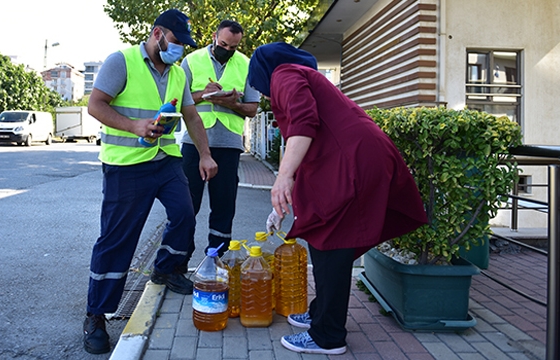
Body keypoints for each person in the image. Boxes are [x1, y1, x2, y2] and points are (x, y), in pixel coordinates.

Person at [248, 42, 428, 355]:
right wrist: (285, 200)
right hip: (359, 156)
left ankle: (328, 335)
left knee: (331, 240)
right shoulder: (299, 74)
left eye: (258, 86)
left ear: (262, 71)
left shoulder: (284, 74)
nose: (263, 96)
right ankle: (321, 315)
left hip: (354, 159)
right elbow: (304, 144)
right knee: (328, 238)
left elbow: (303, 123)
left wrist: (282, 178)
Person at [82, 9, 218, 355]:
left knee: (185, 214)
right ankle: (96, 313)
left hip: (165, 160)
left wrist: (204, 154)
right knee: (117, 240)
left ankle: (166, 269)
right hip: (125, 167)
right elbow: (95, 105)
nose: (180, 50)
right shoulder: (122, 61)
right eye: (176, 42)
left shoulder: (177, 74)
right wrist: (133, 126)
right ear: (157, 33)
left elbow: (192, 117)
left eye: (184, 46)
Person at [179, 20, 260, 264]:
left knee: (224, 206)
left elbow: (253, 108)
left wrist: (233, 104)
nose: (227, 49)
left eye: (233, 47)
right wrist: (204, 94)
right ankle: (178, 261)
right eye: (223, 44)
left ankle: (216, 260)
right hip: (194, 144)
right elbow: (176, 100)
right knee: (186, 205)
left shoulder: (247, 65)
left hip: (229, 145)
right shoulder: (191, 61)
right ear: (214, 37)